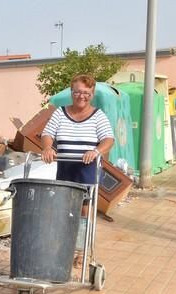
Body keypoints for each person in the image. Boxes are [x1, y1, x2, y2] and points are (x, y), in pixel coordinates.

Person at [41, 74, 115, 266]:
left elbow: (108, 139)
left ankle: (83, 251)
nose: (82, 96)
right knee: (63, 209)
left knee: (84, 211)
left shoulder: (98, 115)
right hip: (65, 166)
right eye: (78, 92)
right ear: (71, 92)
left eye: (86, 93)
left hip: (86, 168)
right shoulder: (60, 113)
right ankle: (63, 248)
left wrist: (96, 151)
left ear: (92, 94)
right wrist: (48, 147)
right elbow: (48, 134)